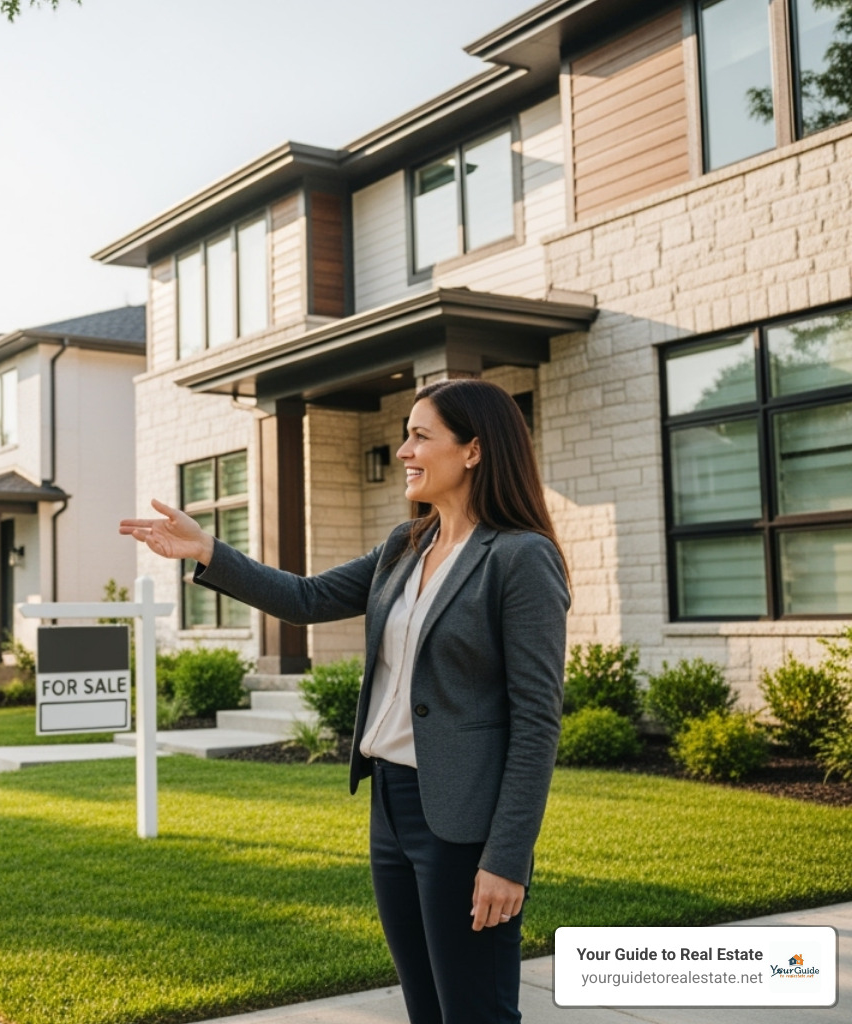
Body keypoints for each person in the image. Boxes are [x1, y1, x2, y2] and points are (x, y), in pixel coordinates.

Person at [121, 378, 569, 1024]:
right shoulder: (405, 546)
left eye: (421, 435)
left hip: (464, 824)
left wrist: (506, 859)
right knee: (426, 1009)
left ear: (473, 451)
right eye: (406, 434)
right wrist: (207, 551)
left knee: (476, 1014)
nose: (404, 449)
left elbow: (536, 722)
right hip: (392, 808)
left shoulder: (520, 559)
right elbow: (307, 599)